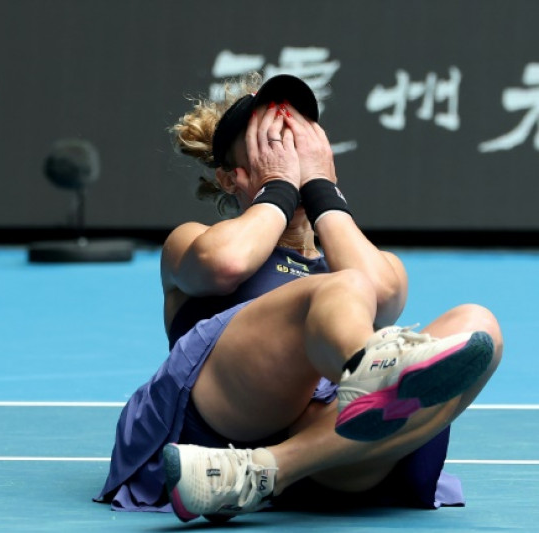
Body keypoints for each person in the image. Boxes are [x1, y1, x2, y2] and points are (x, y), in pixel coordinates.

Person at [94, 72, 503, 521]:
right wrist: (280, 187)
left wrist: (323, 191)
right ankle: (378, 378)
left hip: (330, 448)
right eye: (272, 144)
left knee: (480, 325)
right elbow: (226, 263)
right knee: (342, 287)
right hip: (223, 420)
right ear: (231, 178)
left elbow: (385, 296)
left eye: (298, 140)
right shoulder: (191, 241)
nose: (289, 152)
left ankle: (262, 472)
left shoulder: (362, 263)